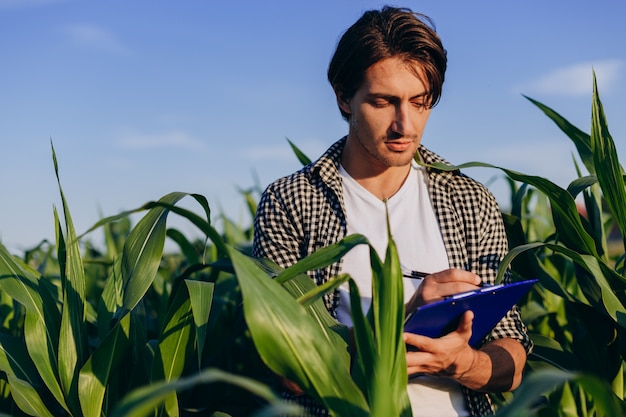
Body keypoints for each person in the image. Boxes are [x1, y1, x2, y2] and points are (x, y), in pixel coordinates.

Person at [252, 5, 532, 417]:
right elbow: (289, 364)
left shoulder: (468, 200)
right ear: (344, 97)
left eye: (420, 103)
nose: (406, 125)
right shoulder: (291, 202)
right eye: (384, 102)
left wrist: (464, 363)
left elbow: (512, 356)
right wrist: (404, 315)